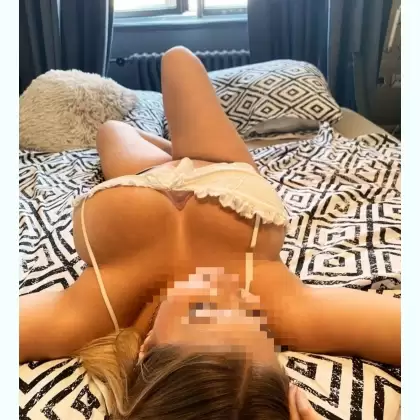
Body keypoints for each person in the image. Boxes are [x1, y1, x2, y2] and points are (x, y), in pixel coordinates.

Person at [19, 46, 400, 420]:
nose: (230, 292)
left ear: (146, 348)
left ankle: (170, 148)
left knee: (111, 128)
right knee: (178, 61)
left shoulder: (83, 318)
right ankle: (178, 149)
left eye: (202, 310)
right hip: (219, 167)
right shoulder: (294, 311)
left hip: (139, 176)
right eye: (253, 320)